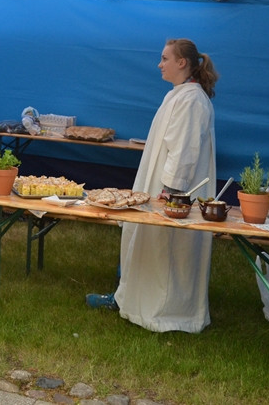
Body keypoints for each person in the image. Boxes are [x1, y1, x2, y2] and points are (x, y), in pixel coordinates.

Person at [88, 38, 219, 333]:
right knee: (145, 243)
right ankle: (130, 299)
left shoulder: (191, 100)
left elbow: (184, 150)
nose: (159, 64)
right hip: (162, 184)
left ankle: (165, 313)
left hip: (172, 192)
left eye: (164, 58)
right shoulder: (179, 95)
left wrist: (171, 191)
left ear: (181, 62)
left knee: (168, 250)